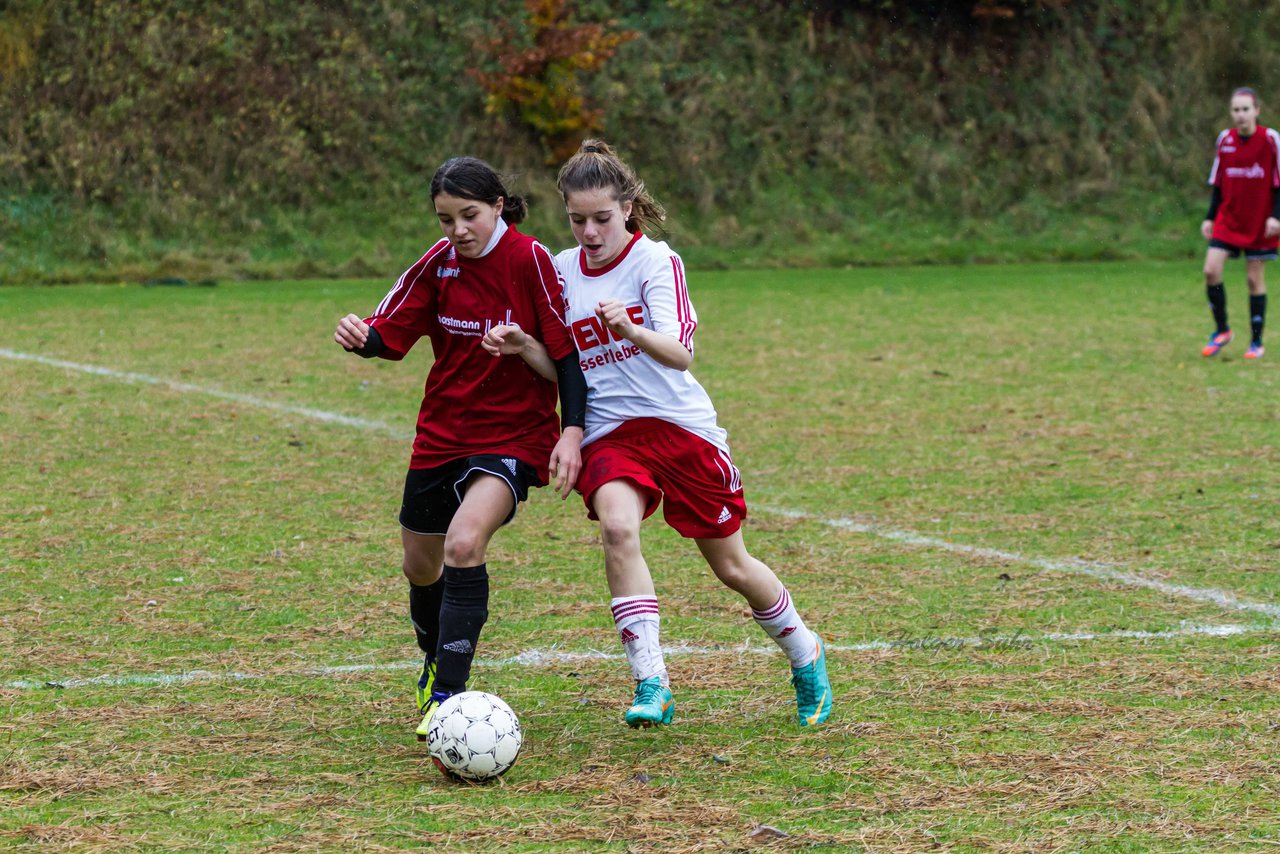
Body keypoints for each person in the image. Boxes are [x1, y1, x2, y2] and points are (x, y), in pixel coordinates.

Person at [549, 139, 832, 728]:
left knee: (731, 567)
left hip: (680, 430)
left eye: (602, 218)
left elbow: (679, 353)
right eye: (577, 220)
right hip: (610, 436)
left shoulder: (656, 262)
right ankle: (652, 682)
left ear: (627, 207)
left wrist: (629, 326)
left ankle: (805, 652)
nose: (590, 233)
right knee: (619, 530)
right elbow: (564, 363)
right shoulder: (559, 270)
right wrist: (524, 345)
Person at [333, 156, 587, 743]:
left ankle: (448, 696)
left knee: (464, 542)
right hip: (441, 433)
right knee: (419, 565)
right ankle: (432, 660)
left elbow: (566, 357)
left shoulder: (531, 261)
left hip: (513, 437)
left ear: (498, 206)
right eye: (446, 218)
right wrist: (363, 337)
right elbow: (390, 331)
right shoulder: (439, 262)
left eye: (469, 215)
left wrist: (570, 429)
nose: (457, 230)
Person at [1200, 86, 1277, 360]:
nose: (1240, 115)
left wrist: (1276, 216)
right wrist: (1210, 217)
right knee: (1211, 270)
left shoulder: (1270, 140)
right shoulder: (1225, 140)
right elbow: (1218, 184)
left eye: (1246, 109)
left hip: (1259, 221)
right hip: (1228, 219)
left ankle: (1256, 342)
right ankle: (1222, 330)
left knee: (1253, 279)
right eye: (1236, 110)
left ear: (1256, 110)